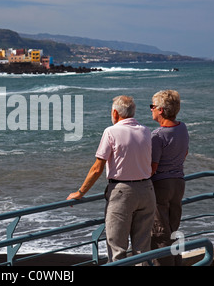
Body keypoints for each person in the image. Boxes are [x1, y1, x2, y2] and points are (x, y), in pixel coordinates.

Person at [67, 96, 156, 262]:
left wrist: (80, 192)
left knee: (117, 249)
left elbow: (97, 168)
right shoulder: (145, 130)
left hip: (122, 192)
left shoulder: (111, 131)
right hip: (147, 190)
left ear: (115, 113)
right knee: (143, 250)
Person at [150, 90, 189, 266]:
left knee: (160, 233)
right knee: (173, 229)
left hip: (161, 186)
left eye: (152, 106)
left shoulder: (157, 136)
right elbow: (185, 153)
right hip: (178, 183)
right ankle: (177, 262)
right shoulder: (182, 127)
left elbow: (153, 167)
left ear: (161, 110)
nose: (150, 109)